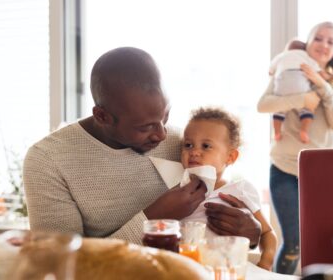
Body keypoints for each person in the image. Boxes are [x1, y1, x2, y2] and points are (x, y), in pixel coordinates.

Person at [23, 47, 262, 248]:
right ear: (102, 116)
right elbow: (59, 263)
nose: (162, 134)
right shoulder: (47, 161)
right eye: (145, 127)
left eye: (165, 116)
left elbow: (224, 202)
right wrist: (153, 220)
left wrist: (251, 233)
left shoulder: (184, 143)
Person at [257, 21, 333, 274]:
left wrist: (321, 85)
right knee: (293, 244)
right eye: (319, 38)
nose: (324, 45)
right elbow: (263, 105)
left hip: (320, 173)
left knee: (321, 242)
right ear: (308, 42)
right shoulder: (288, 70)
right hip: (283, 169)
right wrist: (302, 98)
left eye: (331, 42)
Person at [179, 107, 277, 271]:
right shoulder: (177, 189)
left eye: (206, 146)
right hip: (187, 269)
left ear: (230, 157)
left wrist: (265, 263)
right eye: (188, 145)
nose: (194, 151)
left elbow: (267, 233)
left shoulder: (240, 190)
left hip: (226, 270)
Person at [269, 39, 323, 143]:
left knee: (278, 111)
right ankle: (303, 130)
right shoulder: (305, 56)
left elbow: (271, 70)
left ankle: (276, 132)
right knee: (307, 109)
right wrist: (322, 76)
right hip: (300, 85)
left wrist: (273, 73)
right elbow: (316, 70)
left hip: (282, 84)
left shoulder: (281, 56)